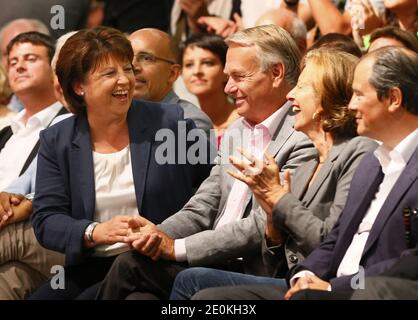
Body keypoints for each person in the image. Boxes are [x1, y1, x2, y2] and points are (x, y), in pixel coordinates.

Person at [96, 25, 316, 300]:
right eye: (228, 77)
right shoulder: (238, 130)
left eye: (238, 77)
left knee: (131, 266)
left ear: (276, 73)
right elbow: (203, 205)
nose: (228, 88)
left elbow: (261, 226)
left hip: (254, 270)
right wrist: (155, 234)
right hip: (210, 259)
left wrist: (176, 248)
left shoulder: (303, 136)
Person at [186, 46, 418, 300]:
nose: (352, 105)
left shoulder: (360, 152)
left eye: (359, 95)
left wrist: (279, 199)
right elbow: (333, 241)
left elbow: (404, 261)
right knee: (201, 294)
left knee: (198, 286)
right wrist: (300, 271)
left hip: (367, 291)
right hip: (313, 280)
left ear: (394, 99)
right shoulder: (372, 163)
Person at [29, 26, 213, 300]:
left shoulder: (170, 123)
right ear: (79, 87)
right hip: (91, 264)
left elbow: (210, 189)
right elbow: (46, 218)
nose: (125, 80)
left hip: (156, 263)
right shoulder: (57, 140)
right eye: (109, 74)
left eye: (127, 69)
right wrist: (94, 231)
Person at [0, 32, 67, 191]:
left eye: (30, 59)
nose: (19, 66)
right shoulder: (6, 133)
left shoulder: (71, 124)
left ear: (54, 69)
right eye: (13, 62)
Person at [128, 28, 213, 141]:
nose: (133, 66)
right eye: (127, 57)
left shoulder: (188, 122)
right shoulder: (116, 115)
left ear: (172, 73)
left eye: (146, 58)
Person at [181, 33, 238, 145]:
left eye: (207, 63)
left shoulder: (248, 121)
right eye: (189, 65)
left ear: (226, 71)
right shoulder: (184, 123)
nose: (197, 71)